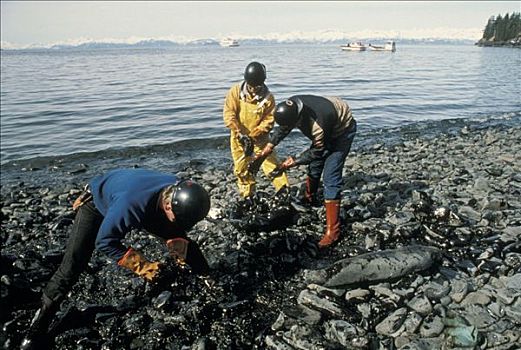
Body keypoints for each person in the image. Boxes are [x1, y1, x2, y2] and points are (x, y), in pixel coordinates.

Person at [21, 168, 211, 349]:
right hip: (96, 203)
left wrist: (177, 237)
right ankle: (37, 328)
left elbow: (177, 228)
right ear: (168, 205)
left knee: (182, 241)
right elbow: (105, 242)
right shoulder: (131, 205)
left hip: (136, 192)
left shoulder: (178, 189)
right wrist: (144, 267)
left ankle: (207, 278)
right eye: (179, 219)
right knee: (72, 266)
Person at [249, 95, 357, 248]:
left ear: (298, 118)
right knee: (314, 166)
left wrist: (294, 162)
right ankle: (309, 198)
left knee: (330, 176)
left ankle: (333, 232)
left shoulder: (318, 125)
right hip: (327, 121)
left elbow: (318, 152)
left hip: (342, 130)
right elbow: (283, 129)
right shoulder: (292, 107)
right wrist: (267, 149)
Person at [223, 61, 289, 200]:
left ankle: (284, 191)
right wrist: (240, 134)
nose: (253, 89)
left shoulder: (268, 98)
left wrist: (253, 136)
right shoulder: (235, 92)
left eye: (257, 86)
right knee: (241, 169)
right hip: (238, 139)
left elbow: (269, 121)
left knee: (271, 165)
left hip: (260, 140)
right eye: (251, 86)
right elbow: (229, 114)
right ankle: (248, 195)